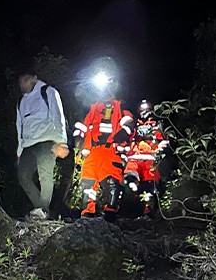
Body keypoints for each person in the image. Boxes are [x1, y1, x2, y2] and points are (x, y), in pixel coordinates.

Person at [74, 75, 133, 222]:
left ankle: (111, 214)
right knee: (87, 184)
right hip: (92, 152)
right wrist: (79, 138)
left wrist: (124, 132)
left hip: (111, 150)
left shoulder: (120, 105)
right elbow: (83, 125)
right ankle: (87, 214)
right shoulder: (92, 107)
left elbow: (129, 122)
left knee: (113, 185)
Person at [15, 67, 69, 220]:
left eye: (25, 80)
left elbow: (58, 115)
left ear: (34, 78)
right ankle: (41, 207)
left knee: (45, 174)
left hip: (47, 141)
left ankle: (42, 210)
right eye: (20, 82)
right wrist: (19, 151)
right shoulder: (21, 101)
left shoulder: (48, 92)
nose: (22, 85)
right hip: (28, 144)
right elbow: (20, 126)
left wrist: (61, 142)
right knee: (23, 176)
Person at [123, 99, 169, 216]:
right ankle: (131, 207)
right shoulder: (135, 124)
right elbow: (127, 137)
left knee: (150, 187)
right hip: (135, 157)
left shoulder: (156, 124)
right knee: (129, 179)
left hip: (150, 159)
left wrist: (160, 150)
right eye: (142, 110)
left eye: (146, 110)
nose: (144, 112)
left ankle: (149, 212)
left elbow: (164, 140)